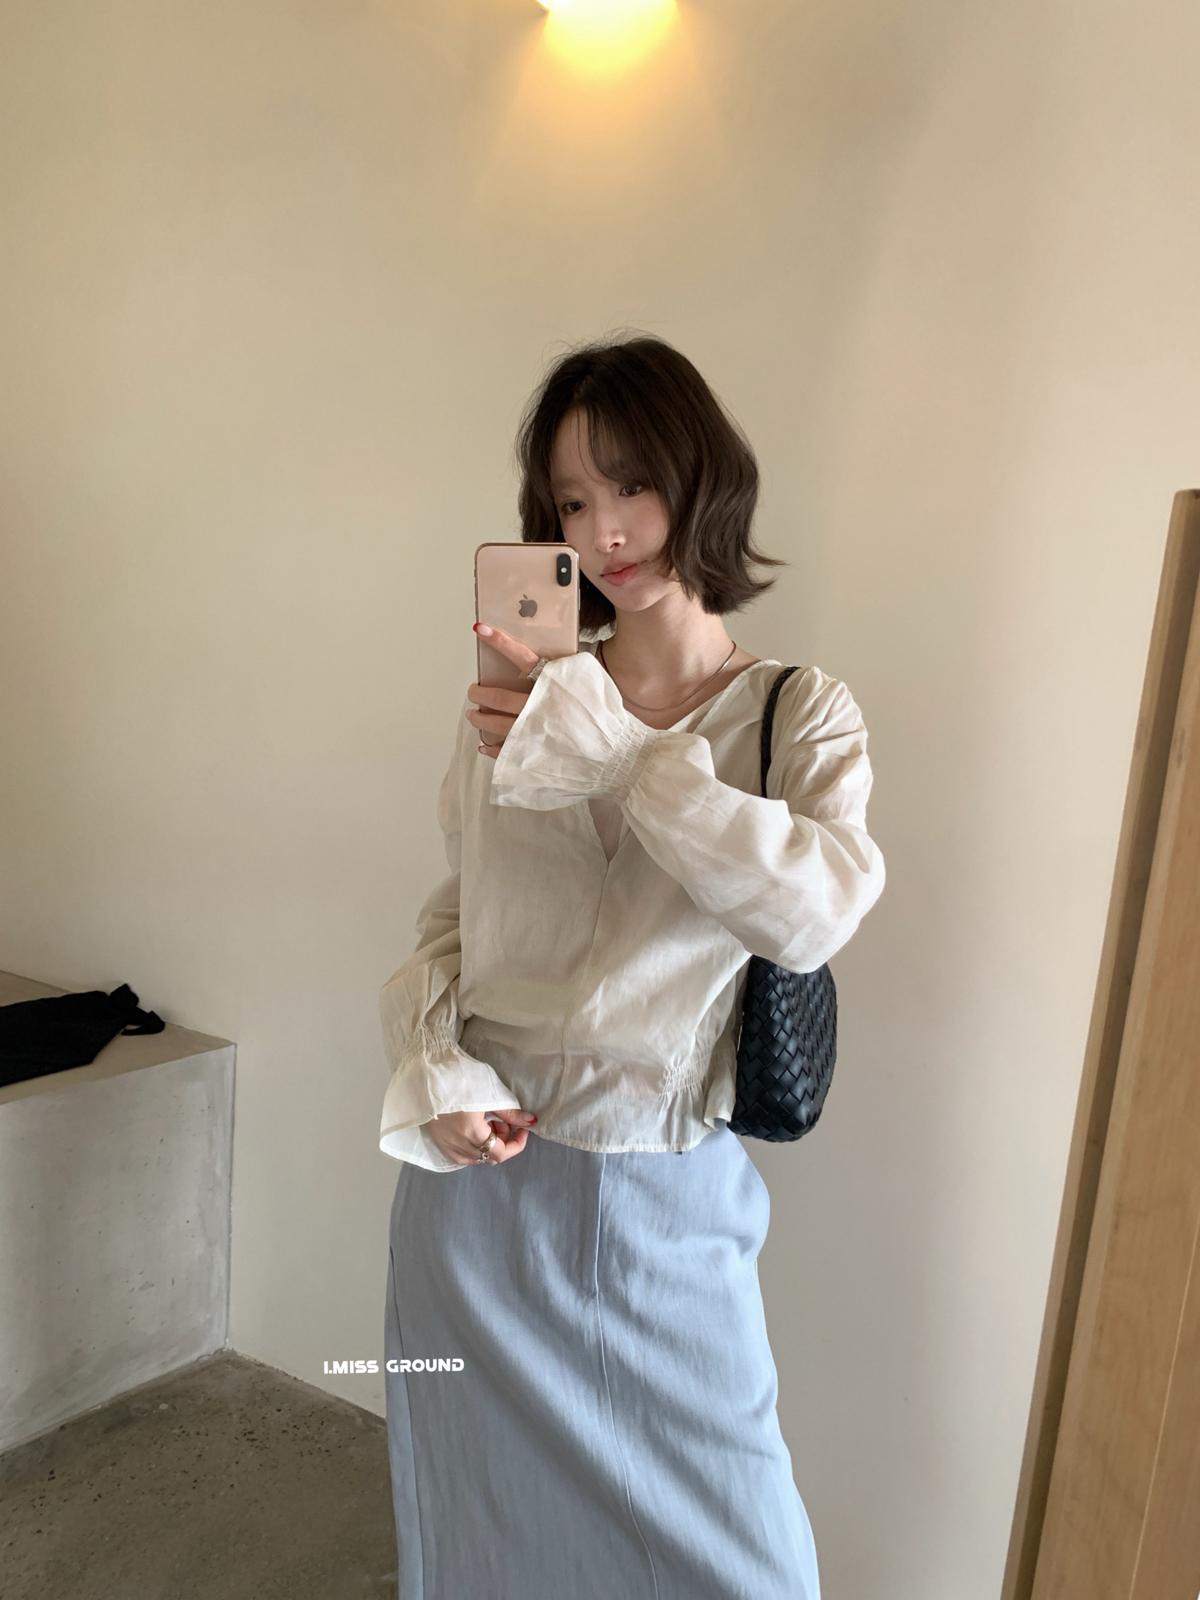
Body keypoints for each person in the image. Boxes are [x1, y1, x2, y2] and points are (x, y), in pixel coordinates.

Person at [379, 332, 886, 1599]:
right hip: (477, 1197)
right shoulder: (513, 706)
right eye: (569, 501)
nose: (604, 530)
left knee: (746, 1563)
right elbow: (455, 919)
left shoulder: (797, 712)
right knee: (479, 1527)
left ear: (699, 476)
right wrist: (436, 1072)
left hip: (663, 1208)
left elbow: (814, 912)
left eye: (632, 484)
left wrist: (619, 755)